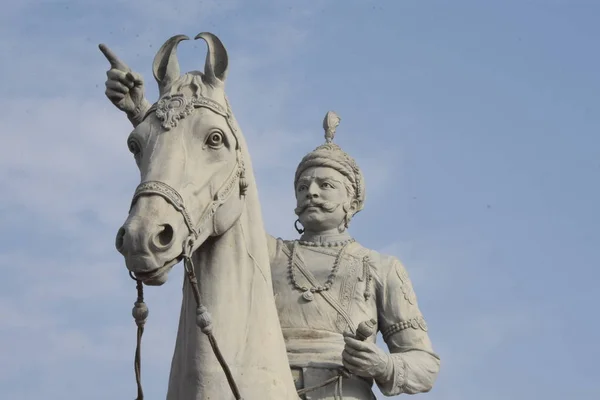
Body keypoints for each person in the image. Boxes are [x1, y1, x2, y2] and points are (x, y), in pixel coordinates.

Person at [101, 50, 440, 399]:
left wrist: (384, 366)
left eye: (325, 185)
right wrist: (142, 114)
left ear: (352, 201)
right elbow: (205, 199)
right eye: (303, 186)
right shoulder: (267, 253)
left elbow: (424, 363)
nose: (312, 192)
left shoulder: (381, 268)